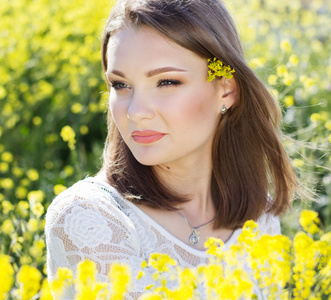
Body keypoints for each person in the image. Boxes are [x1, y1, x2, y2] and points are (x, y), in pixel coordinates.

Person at [45, 0, 299, 298]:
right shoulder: (89, 217)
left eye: (166, 82)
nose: (136, 112)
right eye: (120, 84)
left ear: (227, 89)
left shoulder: (260, 215)